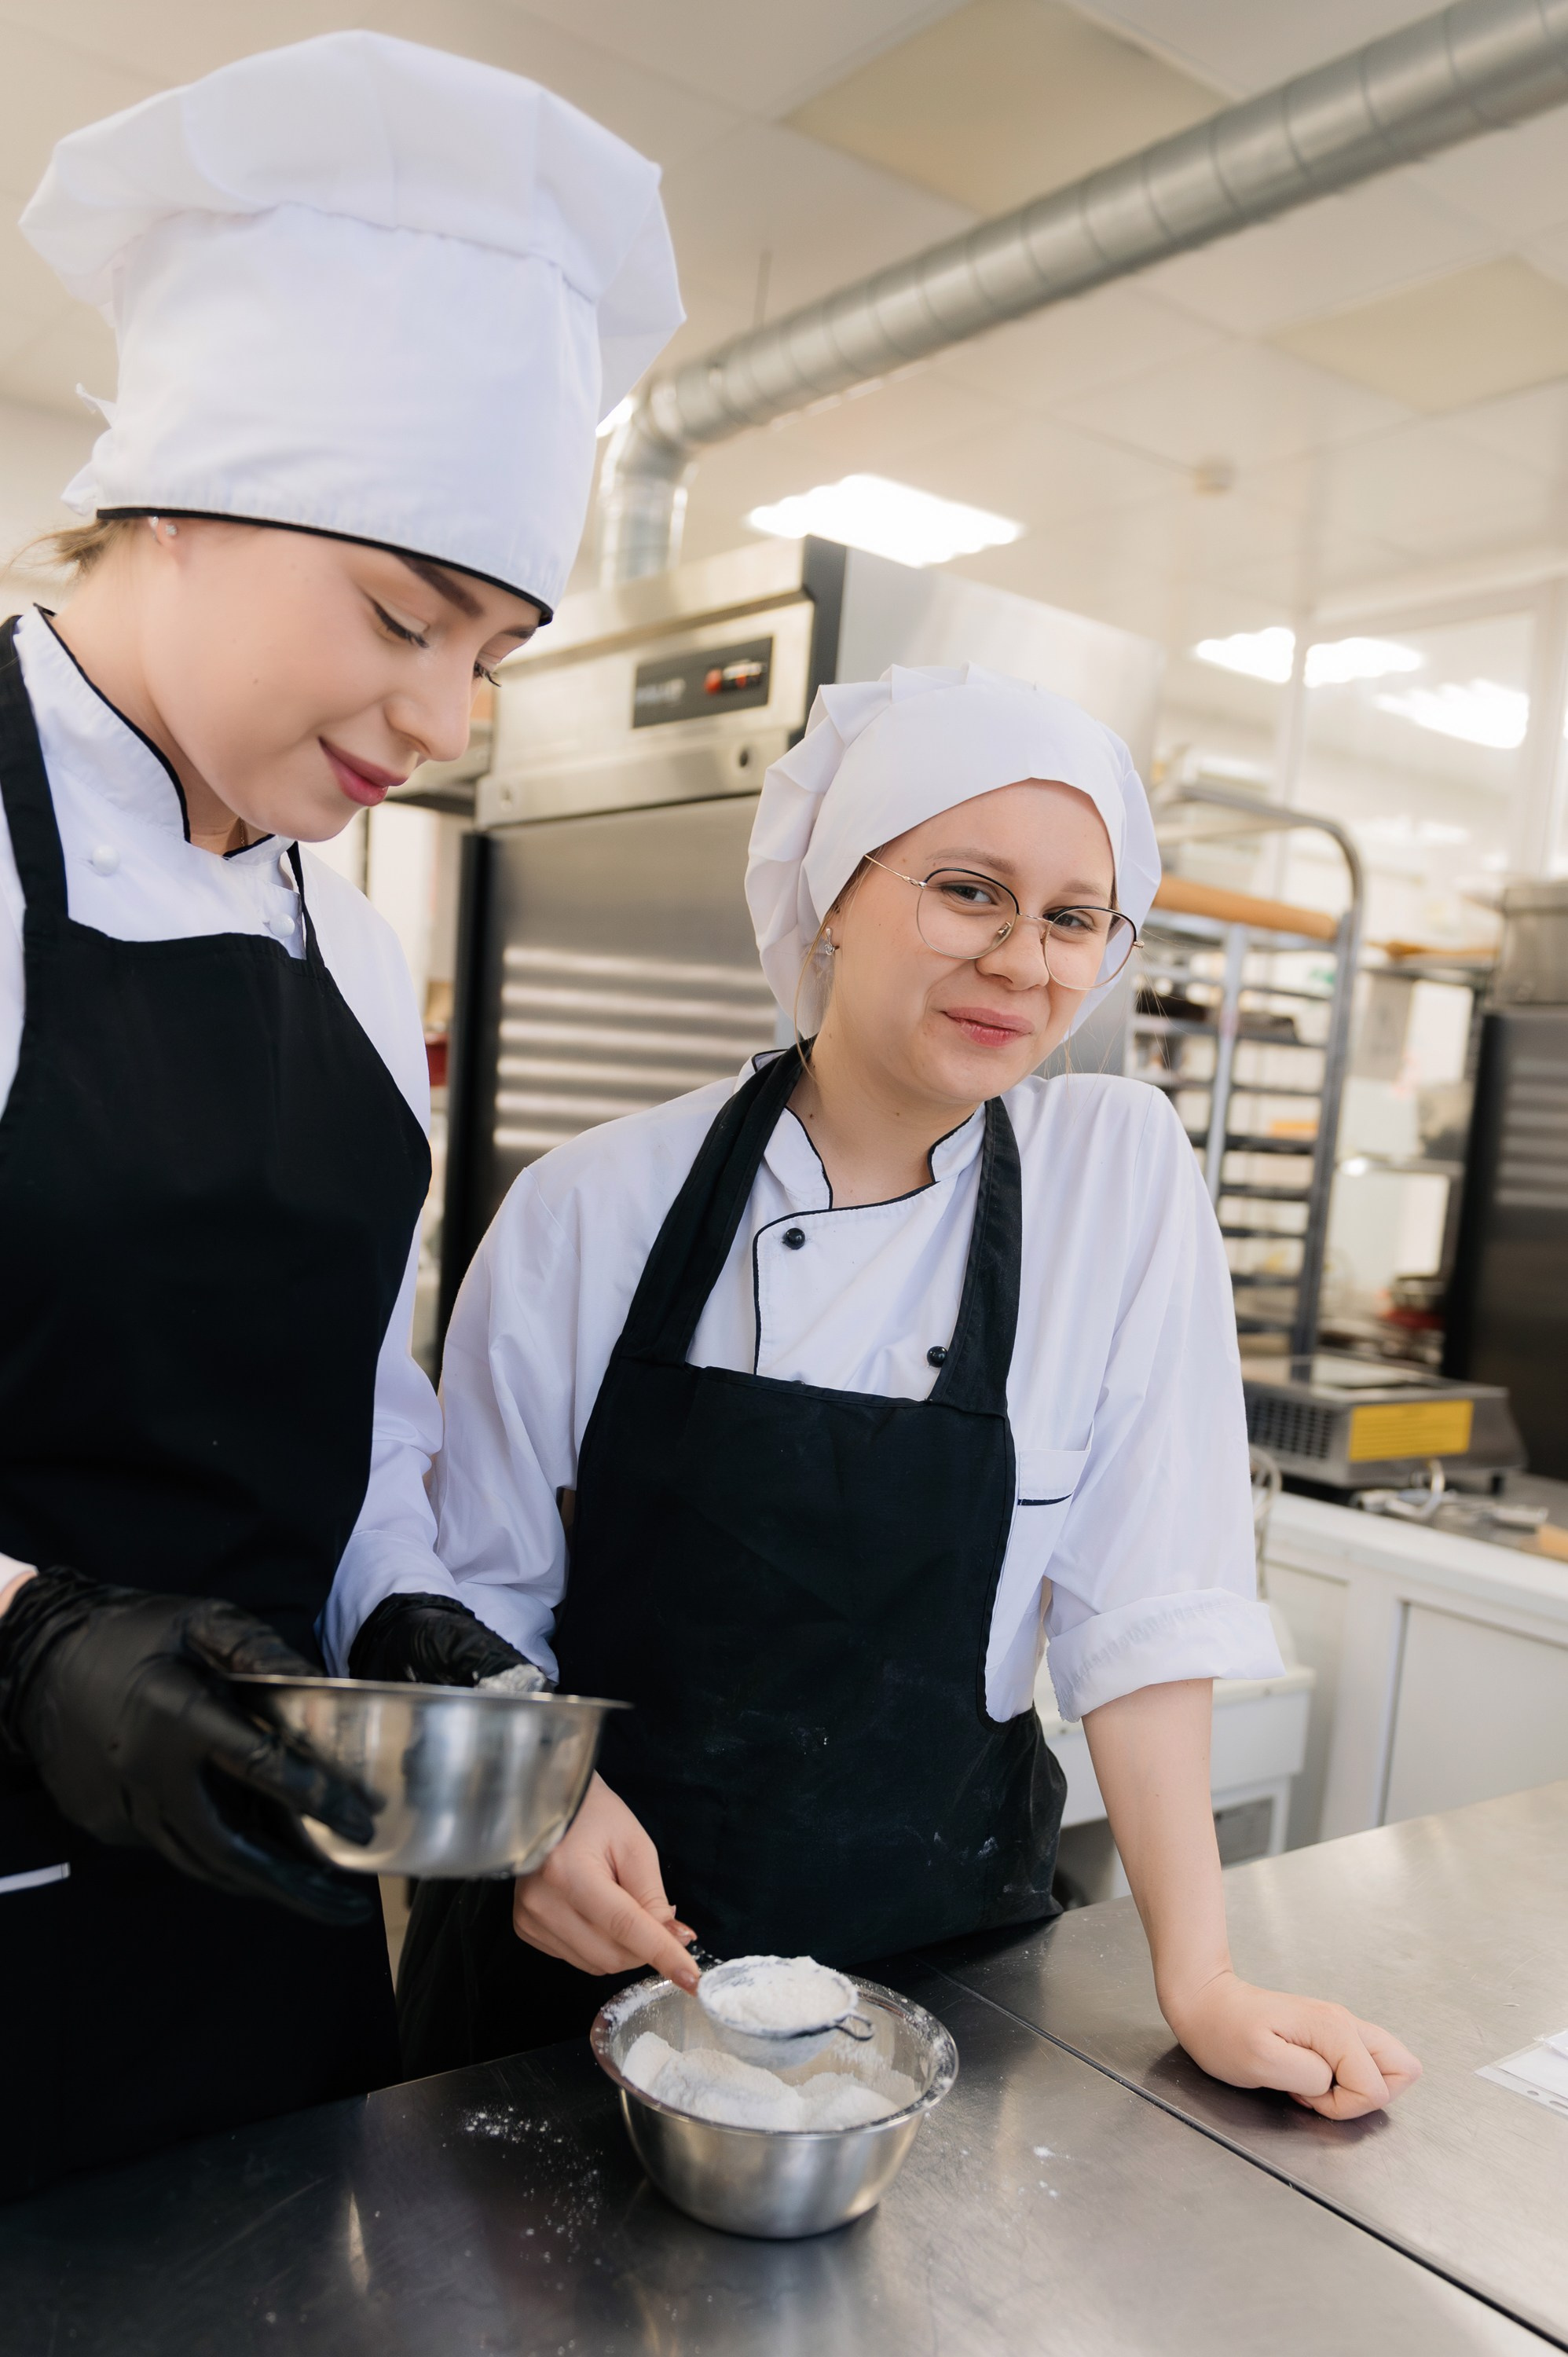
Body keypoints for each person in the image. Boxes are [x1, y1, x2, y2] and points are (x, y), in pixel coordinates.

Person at [397, 664, 1421, 2124]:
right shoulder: (589, 1208)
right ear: (832, 894)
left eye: (1076, 918)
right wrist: (526, 1819)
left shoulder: (1112, 1182)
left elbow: (1138, 1615)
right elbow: (476, 1607)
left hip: (944, 1983)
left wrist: (1202, 1979)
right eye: (968, 890)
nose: (1025, 960)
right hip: (570, 1977)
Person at [0, 31, 681, 2198]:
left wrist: (423, 1628)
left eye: (491, 649)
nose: (442, 716)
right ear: (182, 496)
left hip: (249, 1902)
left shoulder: (353, 949)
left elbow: (341, 1391)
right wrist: (28, 1640)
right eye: (402, 617)